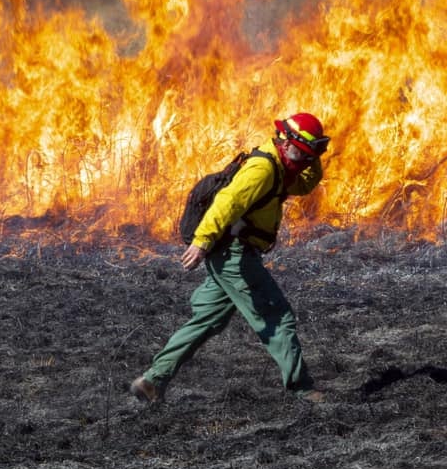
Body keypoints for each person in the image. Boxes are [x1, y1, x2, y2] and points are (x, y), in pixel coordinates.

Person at [130, 112, 331, 404]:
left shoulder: (282, 166)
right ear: (286, 142)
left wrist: (313, 157)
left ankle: (151, 381)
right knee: (278, 317)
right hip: (235, 257)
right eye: (302, 153)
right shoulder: (262, 169)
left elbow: (304, 185)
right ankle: (302, 389)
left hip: (232, 255)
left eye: (309, 156)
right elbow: (228, 202)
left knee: (206, 322)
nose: (304, 160)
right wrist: (201, 242)